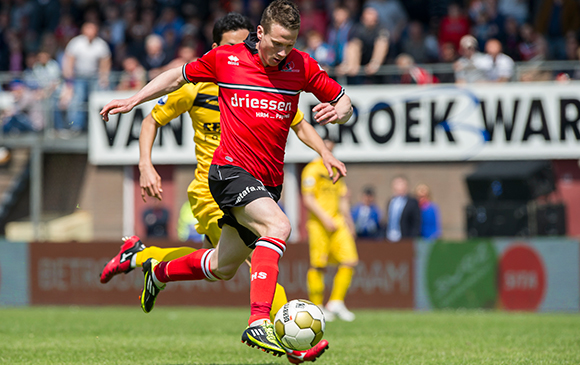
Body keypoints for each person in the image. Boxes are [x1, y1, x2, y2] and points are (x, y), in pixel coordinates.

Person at [100, 1, 352, 359]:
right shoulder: (227, 59)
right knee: (278, 226)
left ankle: (158, 272)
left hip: (267, 182)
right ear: (259, 33)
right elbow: (177, 75)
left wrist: (340, 112)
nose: (282, 53)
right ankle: (259, 321)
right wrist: (134, 99)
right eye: (276, 43)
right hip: (228, 172)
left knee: (223, 265)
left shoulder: (301, 66)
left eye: (290, 44)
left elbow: (343, 100)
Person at [302, 138, 358, 322]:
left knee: (349, 260)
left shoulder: (335, 169)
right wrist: (325, 218)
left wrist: (349, 222)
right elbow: (308, 199)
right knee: (319, 265)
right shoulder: (312, 169)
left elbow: (342, 199)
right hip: (319, 223)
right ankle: (316, 306)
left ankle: (336, 301)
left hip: (337, 222)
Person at [62, 21, 111, 133]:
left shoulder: (100, 44)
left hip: (95, 77)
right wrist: (68, 76)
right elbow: (69, 60)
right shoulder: (76, 43)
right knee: (78, 101)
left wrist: (104, 78)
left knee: (96, 101)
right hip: (79, 77)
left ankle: (97, 126)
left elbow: (105, 62)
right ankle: (76, 126)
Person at [336, 5, 389, 84]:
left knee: (381, 42)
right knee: (353, 45)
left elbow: (383, 44)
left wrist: (375, 63)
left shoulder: (382, 29)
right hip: (362, 65)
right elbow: (352, 45)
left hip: (382, 65)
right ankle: (348, 64)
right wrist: (349, 62)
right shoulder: (358, 29)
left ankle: (375, 63)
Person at [385, 176, 421, 242]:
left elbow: (416, 222)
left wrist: (411, 239)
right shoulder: (390, 201)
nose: (399, 187)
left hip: (405, 238)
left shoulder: (412, 202)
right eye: (397, 184)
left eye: (401, 184)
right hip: (390, 237)